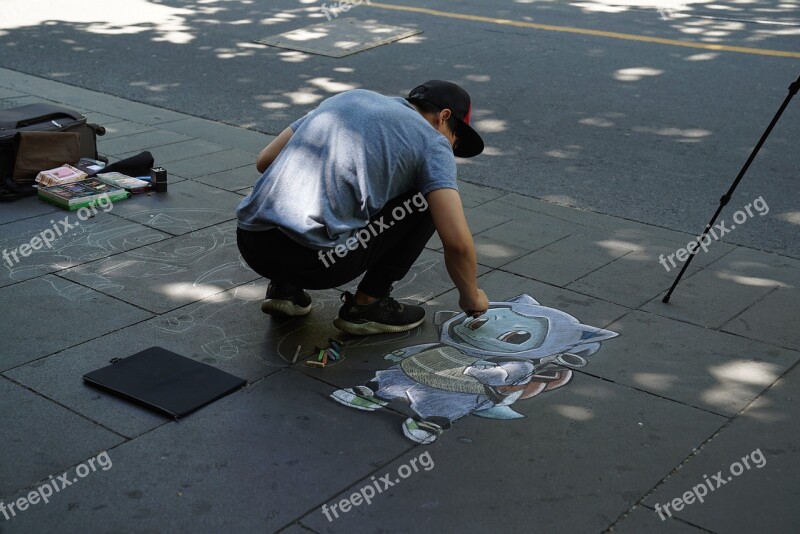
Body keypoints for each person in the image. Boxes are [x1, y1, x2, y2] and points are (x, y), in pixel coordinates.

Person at [236, 80, 489, 335]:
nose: (451, 149)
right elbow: (456, 242)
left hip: (251, 242)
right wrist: (471, 296)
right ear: (443, 117)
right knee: (426, 199)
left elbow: (265, 160)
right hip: (317, 263)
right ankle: (368, 304)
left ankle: (284, 288)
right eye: (455, 142)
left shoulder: (348, 99)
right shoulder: (433, 143)